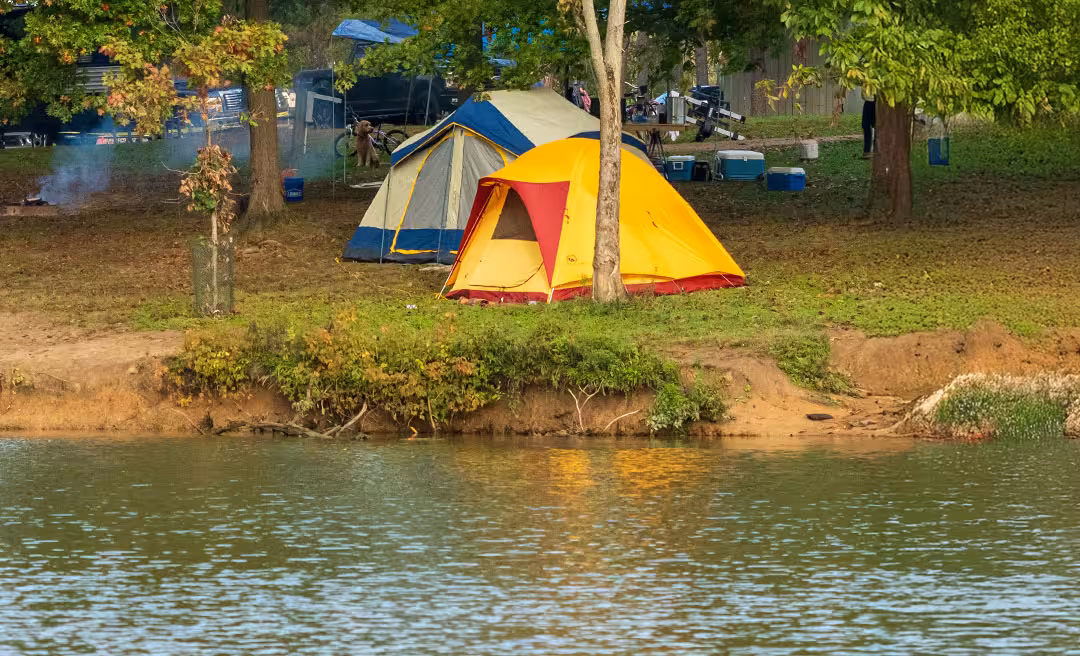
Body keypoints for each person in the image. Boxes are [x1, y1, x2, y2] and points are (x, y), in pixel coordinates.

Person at [861, 88, 876, 159]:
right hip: (868, 102)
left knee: (878, 127)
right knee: (865, 125)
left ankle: (876, 152)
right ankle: (867, 152)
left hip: (876, 102)